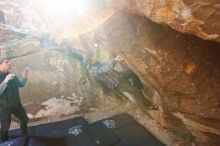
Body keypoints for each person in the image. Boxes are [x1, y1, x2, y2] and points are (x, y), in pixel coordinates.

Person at [0, 56, 30, 141]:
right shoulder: (6, 77)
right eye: (6, 62)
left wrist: (25, 76)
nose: (9, 63)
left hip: (16, 104)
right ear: (0, 64)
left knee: (24, 119)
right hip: (4, 107)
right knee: (5, 127)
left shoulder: (11, 75)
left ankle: (25, 135)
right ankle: (4, 141)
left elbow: (21, 84)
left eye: (9, 61)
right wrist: (5, 81)